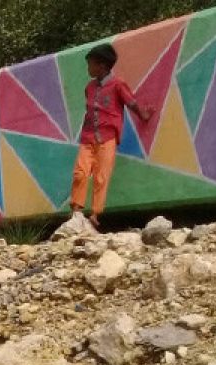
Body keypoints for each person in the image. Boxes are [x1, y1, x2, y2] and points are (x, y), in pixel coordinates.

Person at [70, 43, 154, 228]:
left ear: (102, 66)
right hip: (88, 136)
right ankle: (76, 210)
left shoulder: (117, 84)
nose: (88, 69)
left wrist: (143, 115)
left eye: (90, 64)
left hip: (107, 136)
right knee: (80, 172)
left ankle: (95, 213)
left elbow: (130, 102)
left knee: (101, 175)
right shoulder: (89, 88)